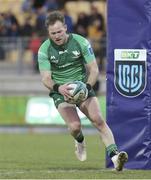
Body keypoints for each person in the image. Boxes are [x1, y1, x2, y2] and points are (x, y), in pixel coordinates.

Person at [38, 11, 128, 171]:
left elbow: (93, 69)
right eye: (53, 33)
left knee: (98, 120)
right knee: (75, 127)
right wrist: (59, 87)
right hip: (61, 91)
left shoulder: (80, 42)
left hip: (82, 89)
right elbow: (45, 78)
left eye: (59, 31)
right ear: (49, 33)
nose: (57, 36)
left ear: (65, 28)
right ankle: (79, 141)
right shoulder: (44, 50)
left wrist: (86, 87)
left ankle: (115, 157)